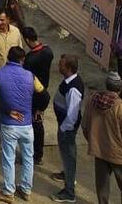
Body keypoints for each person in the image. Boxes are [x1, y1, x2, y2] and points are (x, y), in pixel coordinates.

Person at [0, 45, 44, 203]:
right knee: (28, 157)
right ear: (22, 60)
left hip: (9, 124)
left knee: (8, 158)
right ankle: (26, 190)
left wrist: (8, 111)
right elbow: (44, 95)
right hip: (27, 125)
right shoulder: (30, 76)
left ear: (7, 57)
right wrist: (37, 110)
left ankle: (8, 192)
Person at [81, 71, 122, 204]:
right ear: (119, 89)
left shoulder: (92, 100)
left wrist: (93, 141)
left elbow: (85, 126)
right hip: (118, 154)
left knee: (102, 188)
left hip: (99, 151)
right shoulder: (120, 107)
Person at [51, 54, 84, 203]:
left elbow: (72, 114)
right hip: (64, 125)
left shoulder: (74, 89)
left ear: (69, 68)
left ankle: (69, 192)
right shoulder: (69, 81)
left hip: (67, 128)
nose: (59, 66)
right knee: (66, 155)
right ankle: (67, 174)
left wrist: (64, 129)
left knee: (69, 156)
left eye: (61, 65)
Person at [22, 26, 53, 166]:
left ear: (27, 40)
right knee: (39, 122)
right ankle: (38, 153)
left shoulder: (29, 59)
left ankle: (34, 153)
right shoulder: (48, 51)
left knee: (33, 124)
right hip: (43, 92)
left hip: (33, 95)